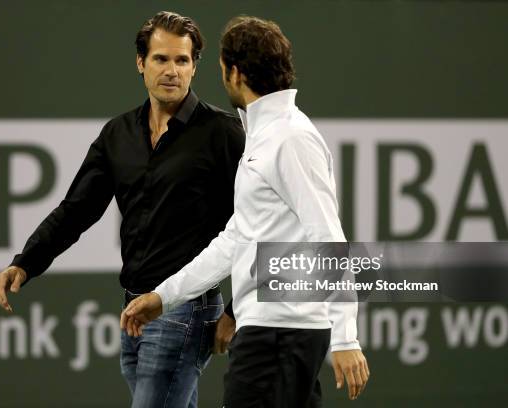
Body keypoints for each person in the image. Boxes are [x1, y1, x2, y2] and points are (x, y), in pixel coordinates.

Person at [0, 11, 245, 408]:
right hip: (134, 309)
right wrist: (26, 262)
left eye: (182, 60)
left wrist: (235, 310)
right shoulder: (118, 133)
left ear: (195, 67)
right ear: (141, 63)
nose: (172, 71)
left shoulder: (224, 133)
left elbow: (258, 224)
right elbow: (76, 209)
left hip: (185, 311)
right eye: (161, 59)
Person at [121, 16, 370, 407]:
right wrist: (163, 297)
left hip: (278, 334)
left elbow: (329, 238)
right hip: (274, 332)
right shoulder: (267, 136)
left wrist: (345, 337)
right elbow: (236, 239)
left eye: (221, 69)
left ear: (236, 73)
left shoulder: (289, 138)